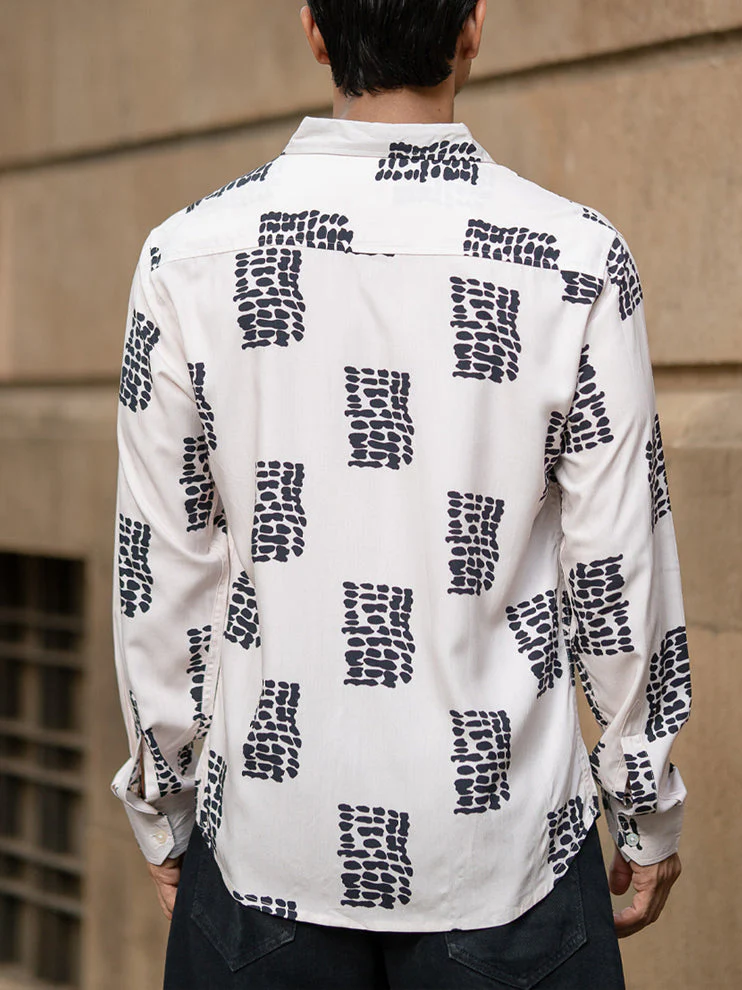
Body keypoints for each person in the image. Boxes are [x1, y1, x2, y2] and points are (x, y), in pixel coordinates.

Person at [110, 1, 692, 987]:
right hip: (505, 857)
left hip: (266, 850)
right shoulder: (577, 258)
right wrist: (643, 801)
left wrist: (163, 806)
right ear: (472, 28)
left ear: (314, 29)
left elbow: (161, 569)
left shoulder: (188, 258)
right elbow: (617, 568)